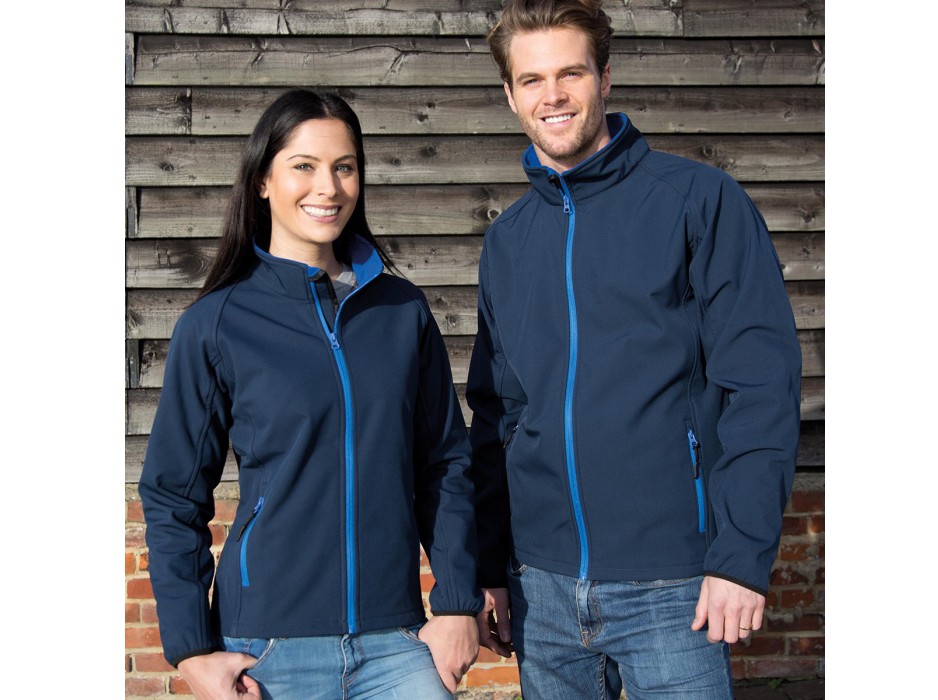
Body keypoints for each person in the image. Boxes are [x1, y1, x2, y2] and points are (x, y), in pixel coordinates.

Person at [466, 1, 803, 697]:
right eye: (532, 80)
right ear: (510, 95)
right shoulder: (508, 240)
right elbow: (501, 413)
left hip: (673, 583)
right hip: (542, 588)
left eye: (571, 73)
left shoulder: (698, 201)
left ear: (605, 77)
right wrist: (490, 564)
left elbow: (760, 384)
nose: (553, 95)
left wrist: (739, 557)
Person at [138, 89, 482, 700]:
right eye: (304, 165)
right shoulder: (217, 324)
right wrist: (192, 650)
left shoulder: (401, 311)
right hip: (268, 646)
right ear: (262, 181)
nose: (328, 187)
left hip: (395, 641)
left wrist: (456, 603)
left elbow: (445, 464)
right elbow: (173, 494)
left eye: (344, 167)